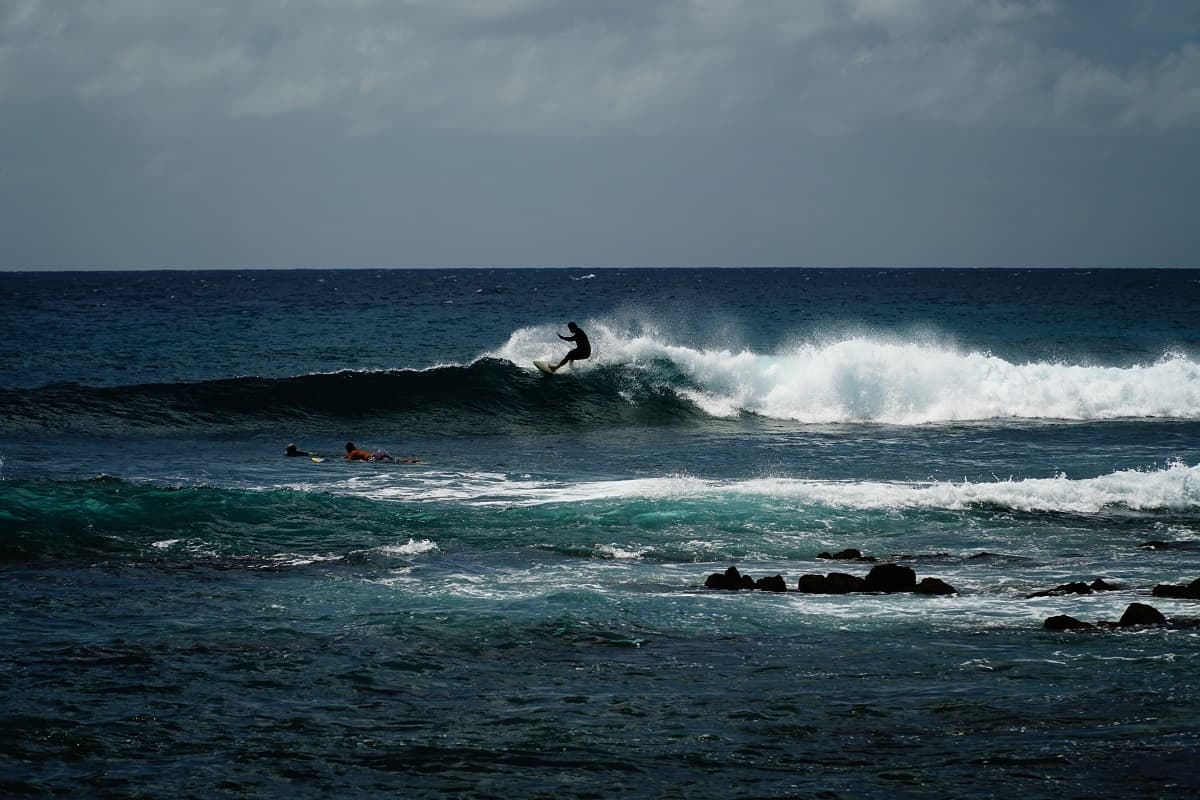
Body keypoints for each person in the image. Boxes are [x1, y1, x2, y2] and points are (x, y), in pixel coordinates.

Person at [344, 442, 419, 463]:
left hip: (374, 457)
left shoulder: (352, 453)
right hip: (379, 453)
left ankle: (412, 461)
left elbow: (349, 461)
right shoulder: (357, 451)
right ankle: (413, 461)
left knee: (394, 461)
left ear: (348, 449)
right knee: (396, 460)